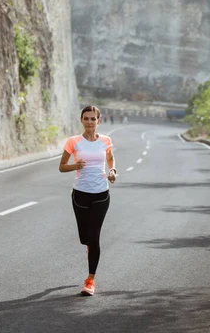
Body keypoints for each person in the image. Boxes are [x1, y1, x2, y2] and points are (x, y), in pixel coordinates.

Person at [59, 105, 117, 296]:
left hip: (101, 194)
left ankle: (90, 280)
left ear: (99, 121)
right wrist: (76, 165)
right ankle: (89, 246)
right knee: (84, 238)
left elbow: (110, 158)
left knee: (94, 237)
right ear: (81, 120)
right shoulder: (73, 142)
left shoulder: (106, 141)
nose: (90, 122)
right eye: (86, 118)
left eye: (93, 119)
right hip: (80, 194)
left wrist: (112, 171)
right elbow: (62, 167)